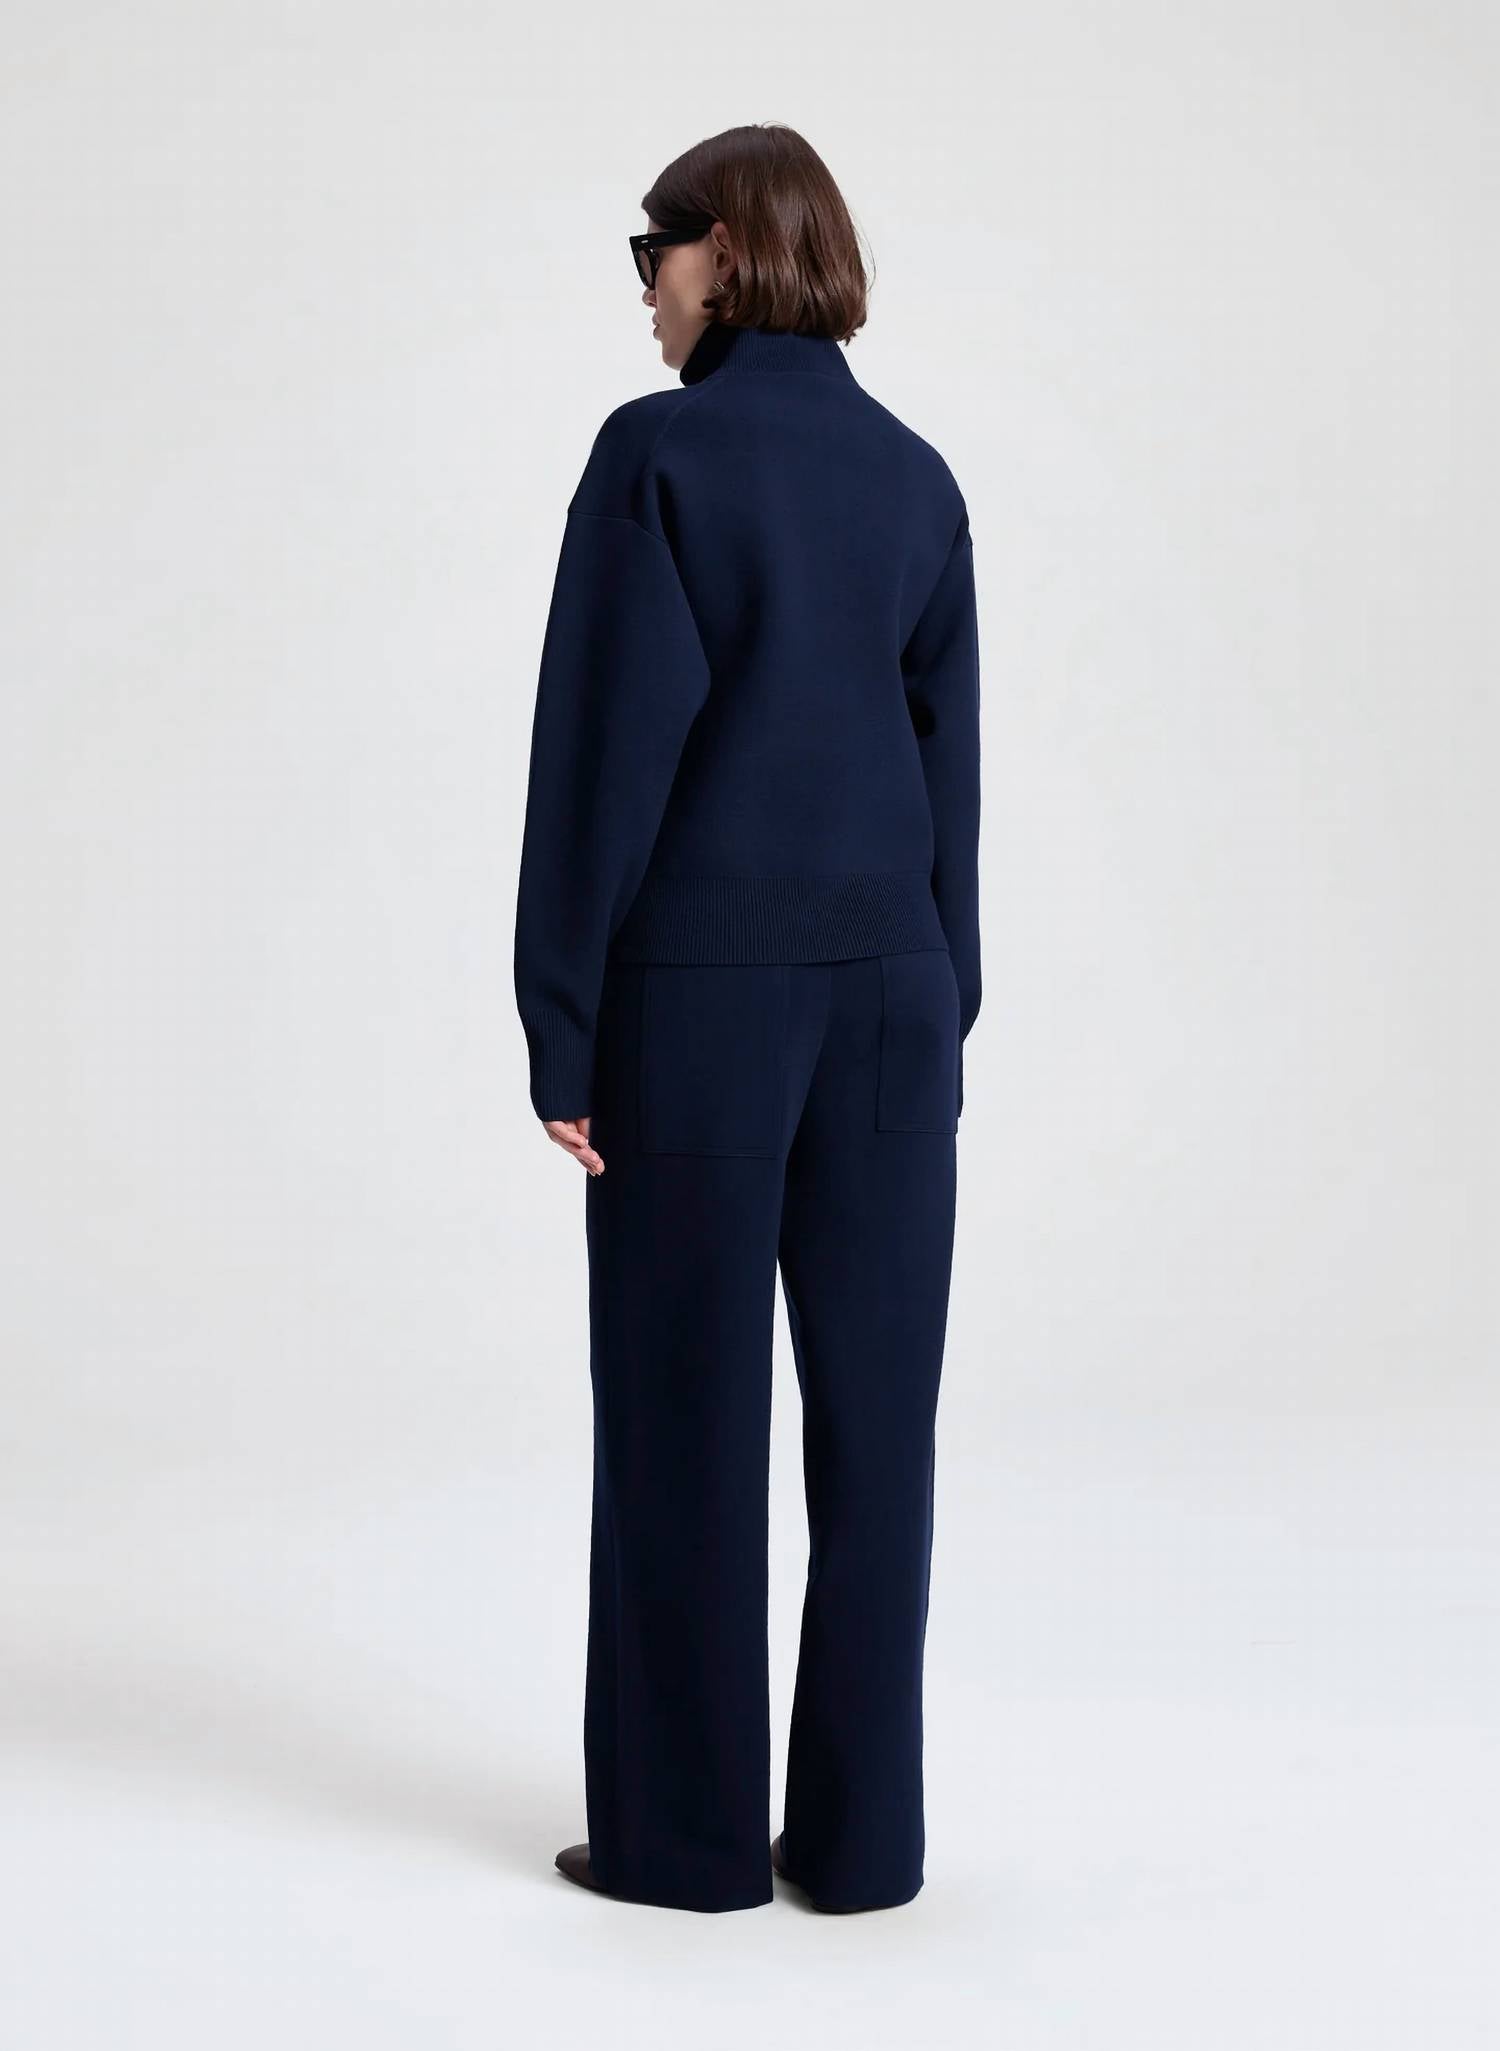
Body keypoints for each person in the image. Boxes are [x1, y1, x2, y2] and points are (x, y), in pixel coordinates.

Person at [513, 122, 982, 1915]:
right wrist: (942, 997)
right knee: (880, 1437)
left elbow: (601, 758)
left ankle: (685, 1842)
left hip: (699, 1009)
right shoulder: (918, 477)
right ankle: (862, 1847)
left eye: (655, 255)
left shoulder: (659, 456)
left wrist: (562, 1020)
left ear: (722, 250)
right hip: (895, 1009)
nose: (645, 293)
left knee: (682, 1414)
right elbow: (949, 772)